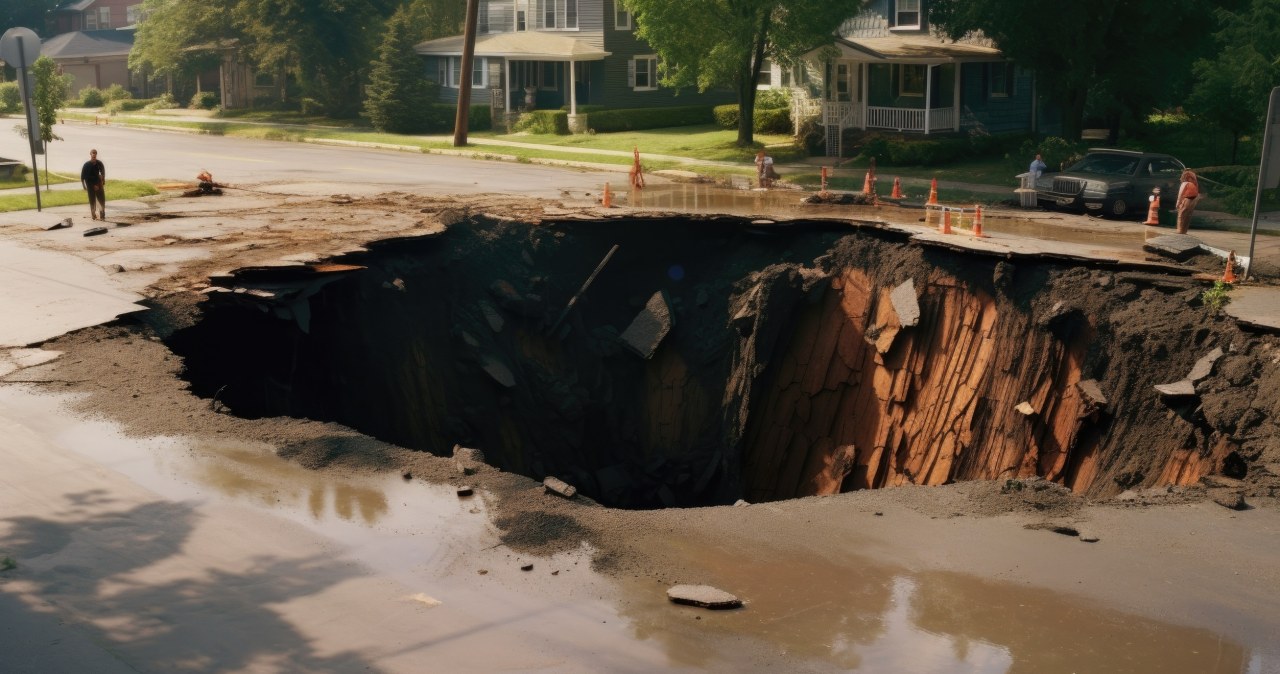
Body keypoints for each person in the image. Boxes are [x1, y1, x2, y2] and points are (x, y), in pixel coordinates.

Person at [81, 149, 106, 220]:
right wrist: (84, 186)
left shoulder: (99, 163)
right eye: (93, 153)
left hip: (98, 184)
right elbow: (83, 177)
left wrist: (102, 181)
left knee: (101, 199)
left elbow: (103, 173)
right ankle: (93, 214)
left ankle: (102, 214)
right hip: (90, 184)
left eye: (95, 153)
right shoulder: (86, 165)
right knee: (92, 200)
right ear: (90, 154)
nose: (94, 155)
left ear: (96, 155)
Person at [1176, 169, 1199, 234]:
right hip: (1193, 200)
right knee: (1188, 216)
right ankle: (1184, 231)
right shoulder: (1194, 184)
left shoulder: (1185, 183)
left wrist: (1178, 202)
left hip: (1187, 199)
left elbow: (1180, 193)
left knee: (1181, 215)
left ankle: (1180, 230)